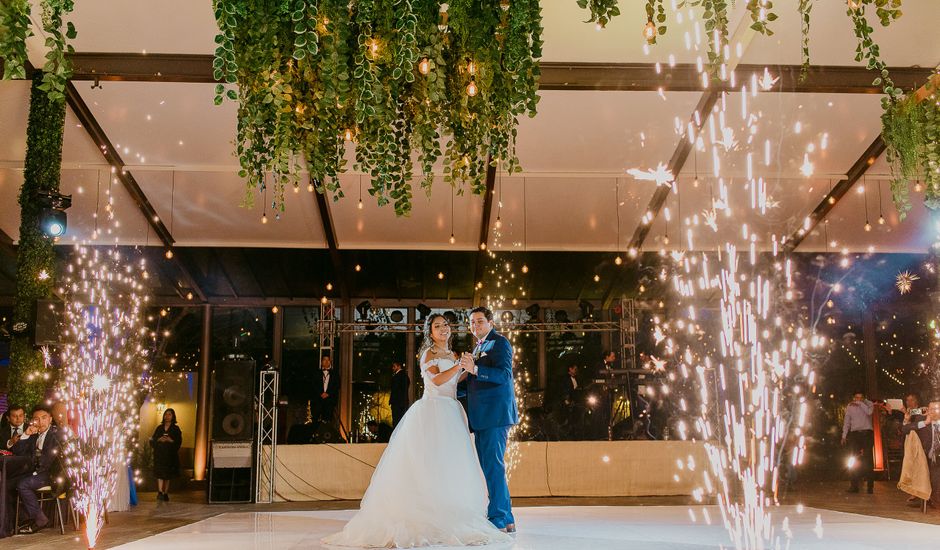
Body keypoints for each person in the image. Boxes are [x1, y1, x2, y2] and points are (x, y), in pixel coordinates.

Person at [323, 313, 510, 547]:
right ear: (429, 332)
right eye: (437, 326)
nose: (443, 329)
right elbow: (437, 381)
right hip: (432, 413)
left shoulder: (455, 355)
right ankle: (426, 514)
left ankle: (457, 512)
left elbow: (458, 382)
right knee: (427, 465)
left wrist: (467, 369)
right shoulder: (428, 354)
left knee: (450, 466)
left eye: (446, 325)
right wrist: (461, 367)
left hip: (452, 414)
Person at [459, 306, 519, 533]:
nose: (475, 325)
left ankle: (498, 519)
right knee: (490, 469)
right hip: (482, 417)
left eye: (480, 321)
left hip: (495, 415)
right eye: (472, 322)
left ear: (491, 323)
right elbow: (474, 384)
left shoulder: (500, 342)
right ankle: (507, 519)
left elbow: (504, 375)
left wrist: (474, 369)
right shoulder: (477, 347)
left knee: (493, 468)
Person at [8, 406, 61, 534]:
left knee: (23, 484)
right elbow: (16, 452)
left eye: (44, 418)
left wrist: (33, 470)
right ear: (32, 421)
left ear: (50, 419)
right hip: (34, 472)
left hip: (51, 474)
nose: (41, 422)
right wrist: (26, 434)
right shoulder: (33, 434)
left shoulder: (56, 435)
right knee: (8, 483)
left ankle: (40, 519)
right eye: (37, 419)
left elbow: (49, 460)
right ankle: (18, 520)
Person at [842, 391, 875, 494]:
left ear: (863, 398)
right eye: (856, 397)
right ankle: (854, 486)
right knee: (853, 459)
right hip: (855, 434)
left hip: (867, 434)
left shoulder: (869, 404)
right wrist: (844, 435)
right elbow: (847, 421)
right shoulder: (850, 406)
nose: (858, 399)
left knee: (868, 460)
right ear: (853, 397)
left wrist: (861, 403)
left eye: (860, 397)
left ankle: (870, 486)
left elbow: (869, 412)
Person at [149, 408, 182, 502]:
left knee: (167, 475)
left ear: (173, 416)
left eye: (169, 414)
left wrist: (170, 440)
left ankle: (165, 493)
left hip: (170, 455)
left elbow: (178, 441)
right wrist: (159, 439)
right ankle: (159, 491)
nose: (167, 416)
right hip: (160, 454)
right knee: (159, 474)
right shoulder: (159, 428)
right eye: (166, 414)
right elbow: (153, 440)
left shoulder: (176, 429)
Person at [311, 355, 340, 426]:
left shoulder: (335, 374)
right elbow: (313, 385)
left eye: (328, 360)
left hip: (329, 401)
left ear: (330, 362)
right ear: (321, 362)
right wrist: (321, 393)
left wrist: (328, 393)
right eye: (324, 360)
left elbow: (337, 386)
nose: (326, 362)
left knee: (328, 421)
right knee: (315, 420)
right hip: (318, 400)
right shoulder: (316, 373)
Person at [389, 360, 411, 429]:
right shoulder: (404, 376)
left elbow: (395, 390)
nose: (393, 368)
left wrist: (392, 400)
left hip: (398, 403)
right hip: (402, 403)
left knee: (397, 421)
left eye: (394, 366)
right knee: (400, 421)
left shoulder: (398, 376)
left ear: (399, 366)